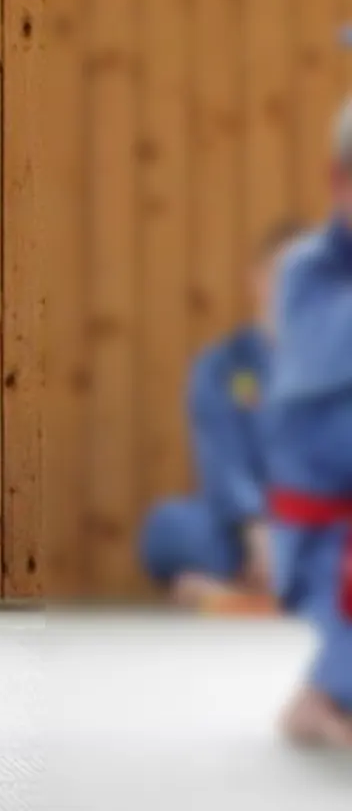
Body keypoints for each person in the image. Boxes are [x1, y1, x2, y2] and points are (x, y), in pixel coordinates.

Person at [140, 222, 306, 612]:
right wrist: (255, 528)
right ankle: (262, 579)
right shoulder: (222, 365)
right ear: (257, 280)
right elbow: (222, 458)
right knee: (166, 526)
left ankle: (230, 587)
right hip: (243, 532)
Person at [260, 95, 352, 747]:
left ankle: (325, 691)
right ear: (338, 184)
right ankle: (326, 692)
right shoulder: (305, 273)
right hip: (322, 530)